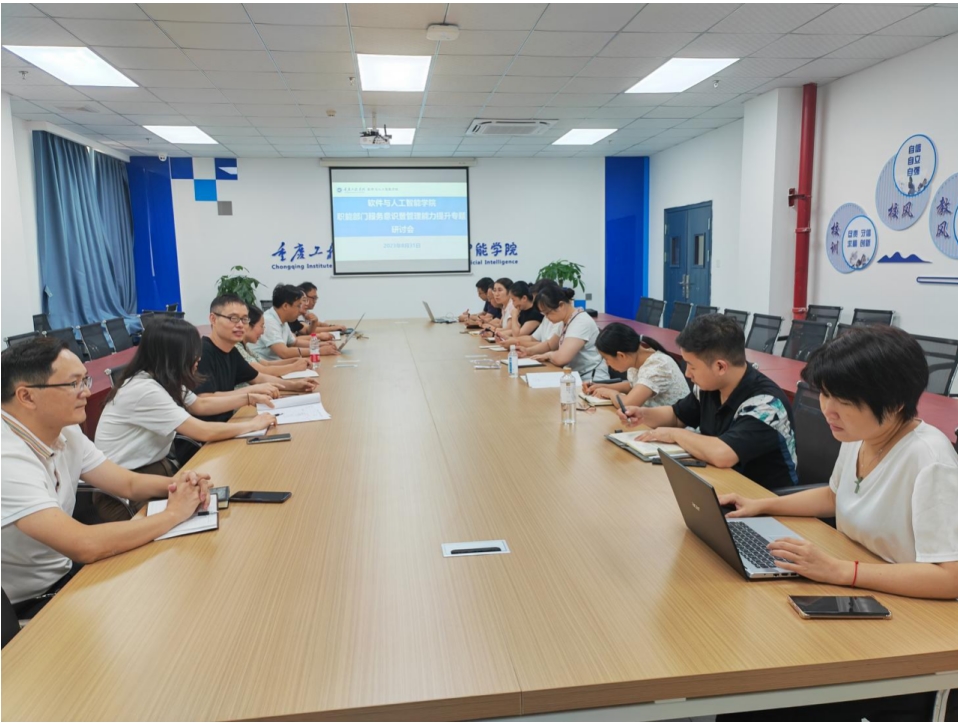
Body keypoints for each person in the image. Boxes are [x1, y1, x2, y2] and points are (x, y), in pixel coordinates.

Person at [715, 325, 958, 719]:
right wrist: (763, 504)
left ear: (895, 403)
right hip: (867, 593)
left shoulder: (930, 460)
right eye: (825, 393)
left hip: (912, 624)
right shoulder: (862, 435)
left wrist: (840, 571)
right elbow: (834, 496)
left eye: (843, 400)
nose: (827, 409)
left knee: (764, 690)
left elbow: (950, 578)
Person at [1, 337, 211, 611]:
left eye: (84, 380)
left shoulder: (64, 429)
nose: (86, 392)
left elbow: (128, 483)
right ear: (27, 396)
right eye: (73, 384)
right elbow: (84, 544)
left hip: (66, 572)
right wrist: (173, 514)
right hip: (27, 604)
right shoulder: (7, 459)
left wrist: (180, 484)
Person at [617, 314, 797, 488]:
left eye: (692, 366)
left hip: (762, 496)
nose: (687, 373)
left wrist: (673, 434)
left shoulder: (766, 404)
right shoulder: (709, 386)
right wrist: (643, 414)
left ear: (720, 367)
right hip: (719, 481)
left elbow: (723, 454)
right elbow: (678, 416)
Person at [95, 317, 278, 475]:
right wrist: (252, 425)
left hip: (154, 468)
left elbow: (200, 405)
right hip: (127, 482)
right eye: (192, 351)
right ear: (173, 355)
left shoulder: (162, 379)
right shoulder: (145, 389)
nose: (198, 357)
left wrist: (248, 398)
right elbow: (203, 431)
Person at [196, 294, 320, 422]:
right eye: (233, 318)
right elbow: (204, 399)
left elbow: (258, 378)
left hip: (230, 421)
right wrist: (250, 393)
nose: (240, 325)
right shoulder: (202, 352)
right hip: (210, 429)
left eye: (244, 319)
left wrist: (295, 385)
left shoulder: (231, 350)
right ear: (213, 319)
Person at [517, 281, 609, 382]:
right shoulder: (564, 321)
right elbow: (550, 345)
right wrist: (528, 351)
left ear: (561, 305)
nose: (547, 317)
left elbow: (561, 358)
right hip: (574, 376)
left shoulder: (581, 322)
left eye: (548, 313)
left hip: (591, 379)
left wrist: (548, 355)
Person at [581, 323, 689, 407]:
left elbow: (628, 404)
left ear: (621, 355)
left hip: (673, 426)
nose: (606, 363)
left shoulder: (657, 366)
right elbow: (633, 385)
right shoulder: (636, 358)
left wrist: (610, 393)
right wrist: (601, 386)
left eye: (606, 359)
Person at [251, 285, 340, 361]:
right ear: (285, 306)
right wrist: (317, 350)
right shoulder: (269, 321)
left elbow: (294, 342)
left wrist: (319, 345)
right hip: (267, 369)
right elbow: (284, 352)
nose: (300, 310)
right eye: (298, 306)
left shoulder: (282, 320)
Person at [239, 305, 311, 379]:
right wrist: (294, 367)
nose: (263, 331)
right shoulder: (237, 348)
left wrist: (294, 360)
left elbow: (267, 364)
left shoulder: (245, 347)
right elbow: (262, 370)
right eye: (261, 326)